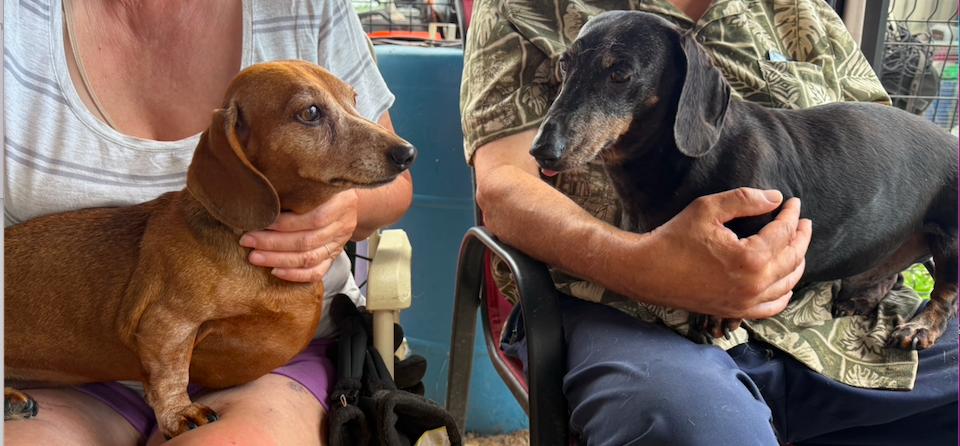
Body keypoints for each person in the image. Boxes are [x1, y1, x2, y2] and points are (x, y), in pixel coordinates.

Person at [461, 0, 958, 444]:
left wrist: (889, 270)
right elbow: (503, 188)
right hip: (625, 314)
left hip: (831, 313)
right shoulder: (522, 7)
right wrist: (643, 266)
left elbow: (887, 154)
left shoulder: (801, 11)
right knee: (694, 426)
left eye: (619, 77)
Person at [4, 0, 412, 445]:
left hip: (280, 367)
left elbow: (398, 183)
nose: (393, 145)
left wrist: (347, 209)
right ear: (234, 145)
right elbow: (166, 321)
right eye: (311, 115)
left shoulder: (306, 7)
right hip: (68, 376)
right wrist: (172, 402)